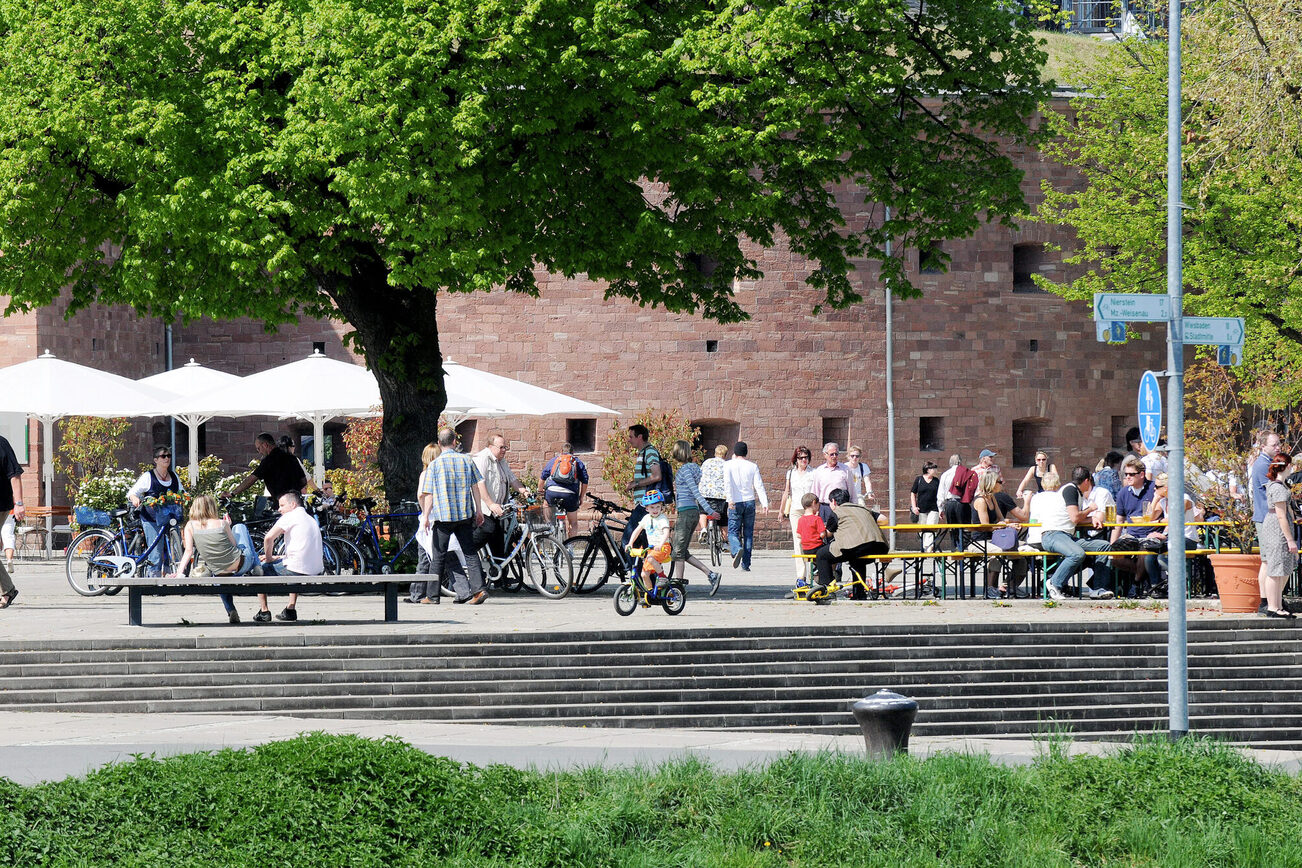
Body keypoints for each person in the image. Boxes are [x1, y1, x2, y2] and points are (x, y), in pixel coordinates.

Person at [420, 428, 489, 606]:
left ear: (439, 442)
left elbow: (429, 494)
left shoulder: (434, 465)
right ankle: (478, 590)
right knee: (470, 554)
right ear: (454, 442)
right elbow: (476, 486)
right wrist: (479, 510)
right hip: (464, 514)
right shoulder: (466, 460)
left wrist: (426, 516)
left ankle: (432, 596)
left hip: (443, 518)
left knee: (439, 556)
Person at [171, 494, 262, 623]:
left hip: (219, 570)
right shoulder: (222, 523)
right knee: (240, 527)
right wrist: (229, 527)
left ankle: (231, 610)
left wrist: (179, 572)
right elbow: (234, 546)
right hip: (240, 564)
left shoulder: (190, 526)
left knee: (220, 578)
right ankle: (256, 566)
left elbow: (189, 551)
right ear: (212, 507)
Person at [1029, 469, 1114, 602]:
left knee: (1103, 546)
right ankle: (1054, 582)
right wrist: (1090, 509)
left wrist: (1092, 519)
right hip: (1052, 535)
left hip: (1066, 536)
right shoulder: (1070, 489)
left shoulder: (1076, 492)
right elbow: (1075, 517)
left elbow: (1074, 518)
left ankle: (1098, 589)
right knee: (1077, 554)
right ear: (1087, 481)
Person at [256, 490, 324, 622]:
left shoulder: (290, 516)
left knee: (259, 570)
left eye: (282, 505)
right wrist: (278, 557)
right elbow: (301, 551)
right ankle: (290, 609)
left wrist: (269, 559)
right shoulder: (309, 519)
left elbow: (268, 538)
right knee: (292, 566)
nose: (279, 509)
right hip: (315, 568)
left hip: (296, 568)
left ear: (292, 504)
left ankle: (264, 612)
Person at [810, 488, 888, 598]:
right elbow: (884, 519)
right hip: (879, 546)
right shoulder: (863, 508)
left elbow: (828, 534)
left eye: (830, 502)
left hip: (855, 546)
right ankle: (859, 593)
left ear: (834, 502)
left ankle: (826, 590)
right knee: (857, 560)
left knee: (822, 555)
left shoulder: (836, 512)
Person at [668, 440, 723, 595]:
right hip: (691, 511)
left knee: (678, 551)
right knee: (681, 550)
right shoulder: (695, 468)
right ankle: (711, 575)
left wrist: (709, 511)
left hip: (686, 512)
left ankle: (678, 586)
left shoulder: (684, 470)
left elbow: (695, 491)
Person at [127, 444, 185, 577]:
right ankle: (153, 581)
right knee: (156, 553)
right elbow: (132, 492)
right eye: (163, 456)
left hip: (170, 517)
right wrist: (135, 498)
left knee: (176, 550)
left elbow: (182, 492)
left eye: (169, 456)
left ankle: (173, 578)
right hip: (152, 518)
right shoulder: (149, 476)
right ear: (156, 460)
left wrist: (185, 498)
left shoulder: (174, 476)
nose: (167, 459)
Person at [473, 434, 530, 563]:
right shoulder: (482, 458)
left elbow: (512, 479)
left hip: (498, 510)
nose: (504, 450)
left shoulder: (501, 461)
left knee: (499, 542)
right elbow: (479, 483)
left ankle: (500, 580)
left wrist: (524, 491)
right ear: (491, 447)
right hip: (484, 509)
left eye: (505, 447)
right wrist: (491, 504)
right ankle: (464, 552)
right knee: (488, 530)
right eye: (501, 447)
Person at [223, 433, 308, 507]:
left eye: (258, 448)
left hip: (282, 504)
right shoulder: (291, 457)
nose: (259, 452)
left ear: (265, 445)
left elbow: (252, 479)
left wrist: (233, 493)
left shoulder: (269, 461)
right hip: (297, 503)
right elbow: (303, 481)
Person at [1249, 430, 1283, 614]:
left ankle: (1272, 599)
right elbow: (1273, 491)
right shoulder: (1263, 465)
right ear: (1263, 446)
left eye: (1278, 444)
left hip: (1268, 516)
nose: (1278, 447)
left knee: (1269, 560)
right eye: (1274, 445)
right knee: (1269, 560)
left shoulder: (1270, 463)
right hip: (1265, 517)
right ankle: (1265, 601)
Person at [1260, 455, 1297, 619]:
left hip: (1275, 526)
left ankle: (1278, 605)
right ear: (1287, 466)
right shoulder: (1278, 488)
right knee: (1275, 568)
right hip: (1277, 529)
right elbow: (1281, 515)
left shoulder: (1279, 486)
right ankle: (1273, 607)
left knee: (1280, 567)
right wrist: (1290, 539)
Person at [724, 440, 767, 571]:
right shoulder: (752, 466)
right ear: (746, 452)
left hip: (735, 501)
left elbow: (727, 483)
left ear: (734, 452)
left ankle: (737, 549)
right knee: (748, 533)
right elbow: (758, 485)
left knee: (732, 531)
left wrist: (729, 499)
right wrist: (764, 502)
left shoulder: (728, 465)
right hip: (749, 501)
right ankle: (746, 564)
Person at [621, 424, 664, 550]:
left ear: (639, 437)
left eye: (631, 436)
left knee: (628, 540)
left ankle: (632, 569)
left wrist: (636, 484)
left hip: (646, 502)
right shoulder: (642, 453)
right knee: (645, 542)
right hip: (643, 501)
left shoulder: (649, 452)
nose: (628, 440)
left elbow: (657, 476)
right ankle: (650, 568)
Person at [779, 447, 815, 580]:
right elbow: (786, 492)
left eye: (806, 457)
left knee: (811, 539)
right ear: (796, 459)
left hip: (810, 509)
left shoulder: (813, 473)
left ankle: (812, 572)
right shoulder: (790, 473)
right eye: (801, 458)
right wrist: (781, 510)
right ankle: (801, 574)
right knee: (798, 539)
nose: (804, 460)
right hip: (795, 509)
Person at [540, 443, 589, 538]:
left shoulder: (554, 460)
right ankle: (570, 546)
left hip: (552, 493)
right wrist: (581, 497)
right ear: (573, 452)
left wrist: (541, 492)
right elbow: (585, 482)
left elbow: (542, 478)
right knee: (573, 522)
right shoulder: (577, 462)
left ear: (561, 452)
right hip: (570, 495)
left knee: (546, 504)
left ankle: (549, 529)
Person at [629, 489, 672, 592]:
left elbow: (666, 532)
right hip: (651, 550)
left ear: (662, 507)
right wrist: (630, 543)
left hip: (663, 547)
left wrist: (660, 544)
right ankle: (650, 593)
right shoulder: (646, 518)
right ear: (647, 508)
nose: (655, 509)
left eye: (658, 507)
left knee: (650, 558)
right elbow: (637, 531)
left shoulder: (662, 519)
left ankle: (662, 577)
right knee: (644, 574)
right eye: (652, 507)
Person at [0, 432, 23, 609]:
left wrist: (19, 503)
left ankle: (8, 590)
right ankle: (8, 590)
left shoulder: (1, 444)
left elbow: (14, 475)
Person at [808, 443, 854, 524]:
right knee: (826, 535)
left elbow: (852, 491)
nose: (834, 456)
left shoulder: (846, 470)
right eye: (831, 454)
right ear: (825, 455)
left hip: (841, 507)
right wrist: (813, 511)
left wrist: (854, 508)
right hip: (825, 508)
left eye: (836, 454)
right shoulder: (819, 471)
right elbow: (814, 492)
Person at [909, 461, 941, 551]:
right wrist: (914, 507)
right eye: (933, 468)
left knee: (931, 528)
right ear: (928, 469)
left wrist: (941, 509)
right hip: (921, 509)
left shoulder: (936, 481)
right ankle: (925, 546)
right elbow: (913, 493)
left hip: (933, 508)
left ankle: (928, 548)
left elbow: (939, 495)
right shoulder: (919, 479)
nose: (935, 470)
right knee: (922, 530)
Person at [698, 444, 729, 536]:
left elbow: (700, 475)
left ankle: (703, 529)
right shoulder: (727, 465)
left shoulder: (707, 462)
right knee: (723, 518)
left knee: (703, 511)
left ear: (715, 453)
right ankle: (725, 542)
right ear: (725, 455)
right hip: (721, 495)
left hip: (705, 493)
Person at [796, 493, 826, 586]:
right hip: (817, 548)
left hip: (806, 550)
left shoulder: (801, 519)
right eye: (818, 505)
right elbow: (822, 535)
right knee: (829, 552)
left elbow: (798, 535)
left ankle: (814, 571)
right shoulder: (817, 519)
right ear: (814, 503)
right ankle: (822, 575)